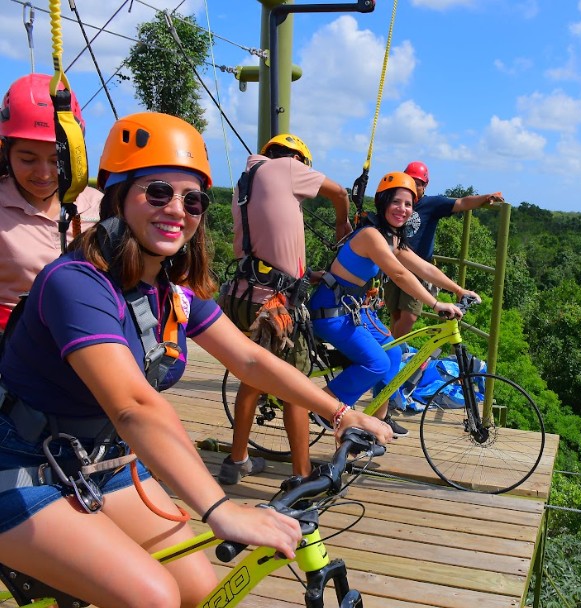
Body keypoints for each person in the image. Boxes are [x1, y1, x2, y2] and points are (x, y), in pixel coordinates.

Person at [0, 112, 391, 608]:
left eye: (193, 200)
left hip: (97, 462)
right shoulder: (75, 283)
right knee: (154, 597)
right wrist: (219, 507)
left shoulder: (168, 288)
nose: (177, 210)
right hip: (19, 466)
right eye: (157, 192)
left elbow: (248, 358)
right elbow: (133, 406)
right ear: (118, 193)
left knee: (204, 593)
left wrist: (338, 412)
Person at [218, 133, 352, 484]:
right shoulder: (288, 168)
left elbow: (269, 242)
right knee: (295, 388)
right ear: (298, 161)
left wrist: (304, 273)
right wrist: (342, 223)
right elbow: (341, 194)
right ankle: (303, 476)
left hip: (243, 295)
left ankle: (237, 460)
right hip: (274, 308)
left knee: (253, 379)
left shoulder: (244, 183)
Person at [309, 171, 480, 438]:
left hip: (351, 310)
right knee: (376, 361)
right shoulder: (371, 236)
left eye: (408, 204)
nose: (403, 209)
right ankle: (323, 407)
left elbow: (423, 267)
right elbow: (400, 274)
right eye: (396, 202)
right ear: (383, 202)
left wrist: (458, 290)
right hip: (331, 311)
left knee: (393, 352)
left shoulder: (391, 238)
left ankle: (378, 419)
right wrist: (436, 304)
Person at [0, 73, 102, 332]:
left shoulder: (97, 205)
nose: (44, 174)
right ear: (5, 151)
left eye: (56, 160)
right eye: (27, 159)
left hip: (89, 337)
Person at [384, 160, 503, 338]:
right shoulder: (395, 203)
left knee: (409, 315)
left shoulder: (432, 204)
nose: (414, 186)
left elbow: (462, 202)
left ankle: (392, 351)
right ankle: (393, 349)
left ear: (425, 185)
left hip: (419, 268)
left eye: (418, 183)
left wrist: (485, 198)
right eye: (410, 180)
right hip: (394, 263)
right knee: (395, 313)